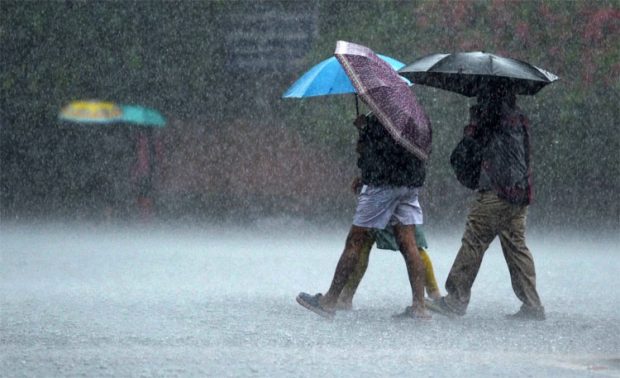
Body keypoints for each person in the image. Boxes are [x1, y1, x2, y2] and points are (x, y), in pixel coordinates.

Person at [427, 83, 545, 320]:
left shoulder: (491, 116)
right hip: (520, 191)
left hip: (496, 191)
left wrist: (473, 125)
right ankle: (532, 304)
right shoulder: (519, 117)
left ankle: (455, 300)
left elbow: (467, 150)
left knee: (474, 240)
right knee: (516, 247)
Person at [296, 113, 430, 319]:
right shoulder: (416, 116)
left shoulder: (380, 118)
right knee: (409, 243)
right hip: (410, 184)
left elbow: (370, 153)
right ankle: (419, 307)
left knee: (355, 241)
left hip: (382, 185)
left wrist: (364, 131)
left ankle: (330, 300)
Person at [335, 177, 441, 311]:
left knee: (364, 240)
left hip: (384, 186)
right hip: (406, 184)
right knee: (412, 245)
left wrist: (368, 175)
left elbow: (383, 157)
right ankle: (432, 296)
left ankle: (345, 297)